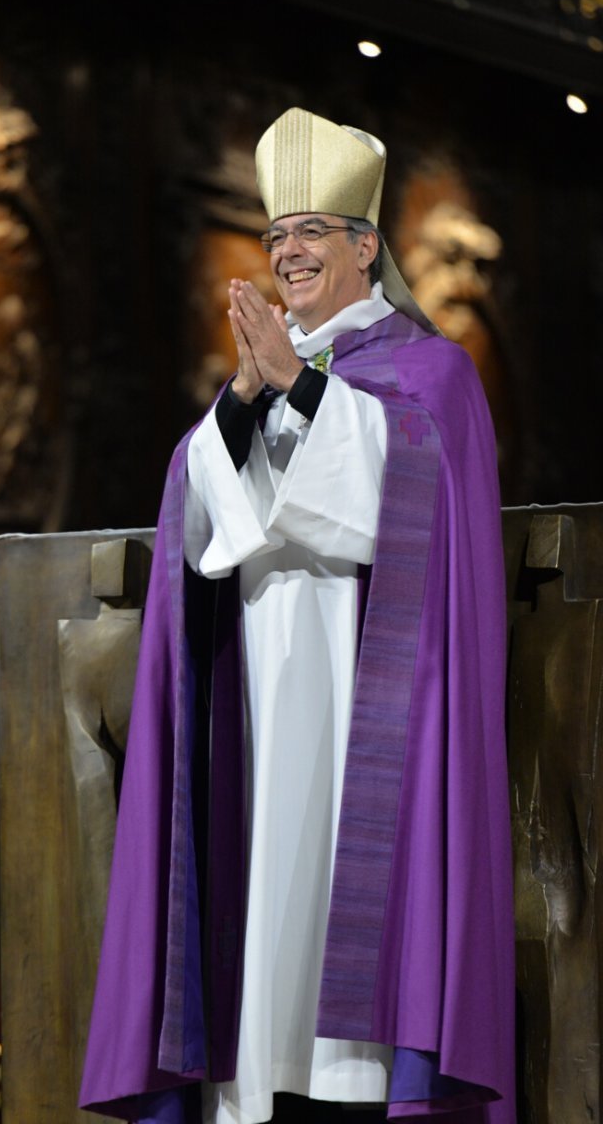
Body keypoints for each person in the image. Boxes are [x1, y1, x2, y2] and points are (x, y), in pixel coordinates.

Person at [80, 108, 515, 1124]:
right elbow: (195, 509)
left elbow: (394, 504)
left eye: (309, 233)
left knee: (343, 910)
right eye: (275, 238)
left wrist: (294, 386)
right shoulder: (263, 374)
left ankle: (364, 1088)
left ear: (364, 247)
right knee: (258, 906)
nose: (287, 254)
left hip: (373, 703)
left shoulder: (427, 373)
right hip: (257, 692)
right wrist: (241, 401)